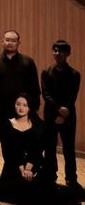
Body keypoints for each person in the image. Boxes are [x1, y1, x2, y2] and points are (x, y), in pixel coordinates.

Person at [0, 93, 82, 205]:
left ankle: (71, 195)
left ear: (30, 107)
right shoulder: (8, 124)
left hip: (33, 165)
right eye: (18, 104)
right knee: (21, 191)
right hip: (14, 166)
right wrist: (22, 170)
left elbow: (36, 151)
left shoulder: (38, 125)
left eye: (25, 105)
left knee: (43, 189)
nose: (21, 108)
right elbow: (9, 152)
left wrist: (29, 169)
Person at [42, 39, 82, 192]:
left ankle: (71, 179)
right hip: (51, 115)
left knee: (69, 149)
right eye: (55, 50)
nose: (57, 53)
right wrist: (58, 110)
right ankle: (50, 176)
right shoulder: (46, 72)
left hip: (68, 115)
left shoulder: (75, 74)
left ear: (68, 53)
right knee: (49, 148)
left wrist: (64, 114)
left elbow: (72, 96)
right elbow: (46, 95)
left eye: (61, 51)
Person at [0, 30, 40, 141]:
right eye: (7, 40)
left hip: (23, 109)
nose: (10, 43)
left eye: (13, 40)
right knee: (5, 140)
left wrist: (34, 106)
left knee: (24, 140)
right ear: (2, 41)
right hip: (2, 108)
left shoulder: (28, 62)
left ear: (18, 42)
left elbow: (34, 86)